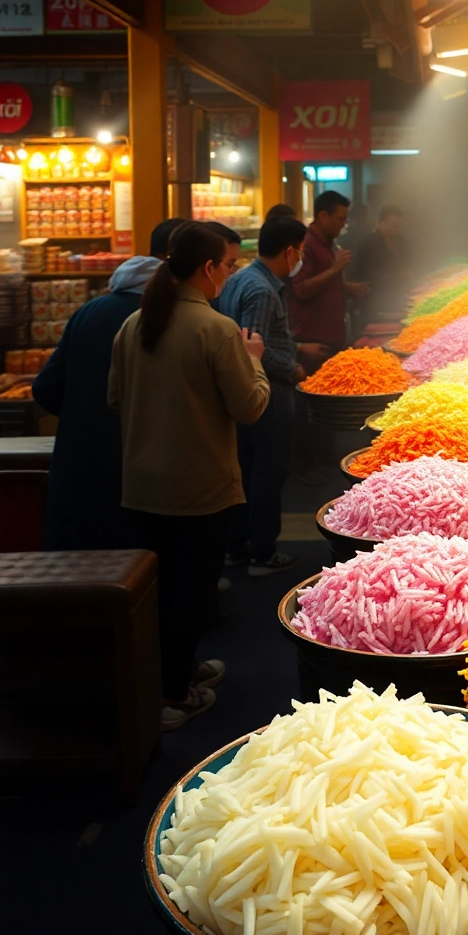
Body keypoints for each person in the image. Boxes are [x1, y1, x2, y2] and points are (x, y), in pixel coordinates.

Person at [108, 222, 270, 730]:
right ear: (207, 269)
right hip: (199, 486)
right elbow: (250, 409)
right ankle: (173, 693)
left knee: (161, 591)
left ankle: (172, 672)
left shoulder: (135, 325)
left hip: (142, 485)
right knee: (192, 591)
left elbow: (115, 400)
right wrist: (256, 363)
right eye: (227, 265)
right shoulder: (217, 330)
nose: (229, 272)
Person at [32, 220, 183, 551]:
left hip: (79, 461)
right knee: (139, 574)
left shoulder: (90, 310)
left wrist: (82, 414)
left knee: (78, 574)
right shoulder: (170, 318)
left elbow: (44, 388)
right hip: (141, 471)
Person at [219, 215, 326, 574]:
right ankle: (263, 554)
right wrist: (293, 368)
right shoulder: (264, 290)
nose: (300, 261)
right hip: (268, 393)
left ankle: (238, 546)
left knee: (246, 470)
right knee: (268, 472)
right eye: (300, 254)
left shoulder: (239, 278)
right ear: (289, 251)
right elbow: (255, 347)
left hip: (246, 391)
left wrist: (298, 347)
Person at [287, 190, 369, 357]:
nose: (343, 224)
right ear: (323, 216)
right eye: (340, 219)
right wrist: (335, 269)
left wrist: (347, 287)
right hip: (314, 340)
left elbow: (326, 282)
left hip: (333, 334)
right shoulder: (304, 245)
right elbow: (301, 289)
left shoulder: (329, 242)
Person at [352, 205, 412, 327]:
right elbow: (363, 272)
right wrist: (394, 275)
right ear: (381, 223)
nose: (397, 228)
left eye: (399, 225)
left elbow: (409, 263)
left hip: (396, 296)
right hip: (373, 298)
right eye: (394, 224)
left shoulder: (401, 242)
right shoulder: (368, 243)